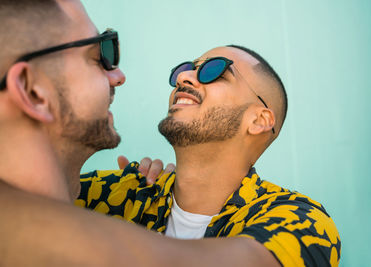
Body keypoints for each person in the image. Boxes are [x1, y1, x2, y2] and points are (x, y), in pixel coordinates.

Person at [76, 45, 341, 266]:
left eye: (214, 71)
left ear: (259, 120)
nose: (183, 78)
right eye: (183, 70)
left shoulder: (301, 220)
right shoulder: (118, 195)